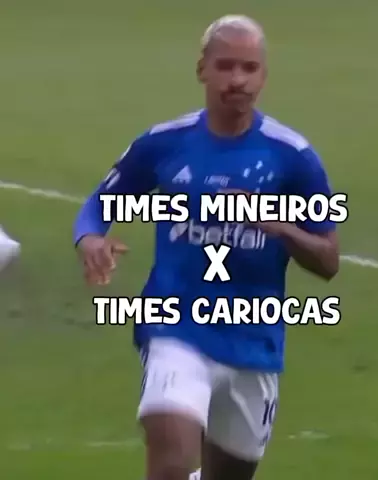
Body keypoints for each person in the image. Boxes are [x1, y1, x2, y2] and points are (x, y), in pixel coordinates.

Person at [73, 14, 339, 480]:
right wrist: (91, 238)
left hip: (253, 342)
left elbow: (328, 260)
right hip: (175, 327)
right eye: (225, 66)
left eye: (249, 68)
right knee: (172, 462)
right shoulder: (164, 143)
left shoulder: (292, 157)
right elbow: (98, 204)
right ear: (202, 70)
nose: (237, 80)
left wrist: (280, 227)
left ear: (264, 76)